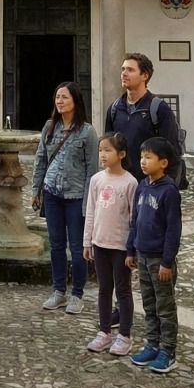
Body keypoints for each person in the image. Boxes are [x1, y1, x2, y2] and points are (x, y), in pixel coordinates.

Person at [31, 81, 98, 314]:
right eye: (57, 97)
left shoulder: (87, 132)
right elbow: (40, 159)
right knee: (56, 245)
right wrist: (35, 190)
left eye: (64, 98)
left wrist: (88, 202)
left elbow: (92, 169)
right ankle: (58, 290)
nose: (59, 101)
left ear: (75, 101)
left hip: (76, 195)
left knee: (78, 248)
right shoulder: (50, 127)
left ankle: (77, 294)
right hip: (52, 194)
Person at [126, 137, 182, 374]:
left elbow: (173, 229)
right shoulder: (142, 186)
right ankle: (152, 343)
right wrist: (131, 249)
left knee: (165, 306)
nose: (143, 161)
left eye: (149, 157)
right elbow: (135, 220)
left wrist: (167, 261)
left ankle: (168, 351)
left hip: (160, 260)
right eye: (141, 157)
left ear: (163, 162)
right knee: (149, 304)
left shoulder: (169, 191)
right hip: (143, 255)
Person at [83, 132, 139, 355]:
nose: (103, 155)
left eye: (108, 150)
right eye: (100, 150)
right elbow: (91, 211)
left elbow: (134, 217)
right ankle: (104, 331)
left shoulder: (130, 183)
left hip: (121, 246)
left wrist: (132, 249)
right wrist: (88, 240)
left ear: (121, 154)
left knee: (123, 291)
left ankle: (124, 335)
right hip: (100, 243)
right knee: (104, 289)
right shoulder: (97, 180)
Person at [103, 53, 180, 181]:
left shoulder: (159, 108)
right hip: (121, 182)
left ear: (144, 76)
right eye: (123, 69)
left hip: (148, 183)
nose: (124, 73)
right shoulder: (114, 108)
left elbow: (171, 151)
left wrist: (166, 186)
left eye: (130, 70)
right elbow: (109, 148)